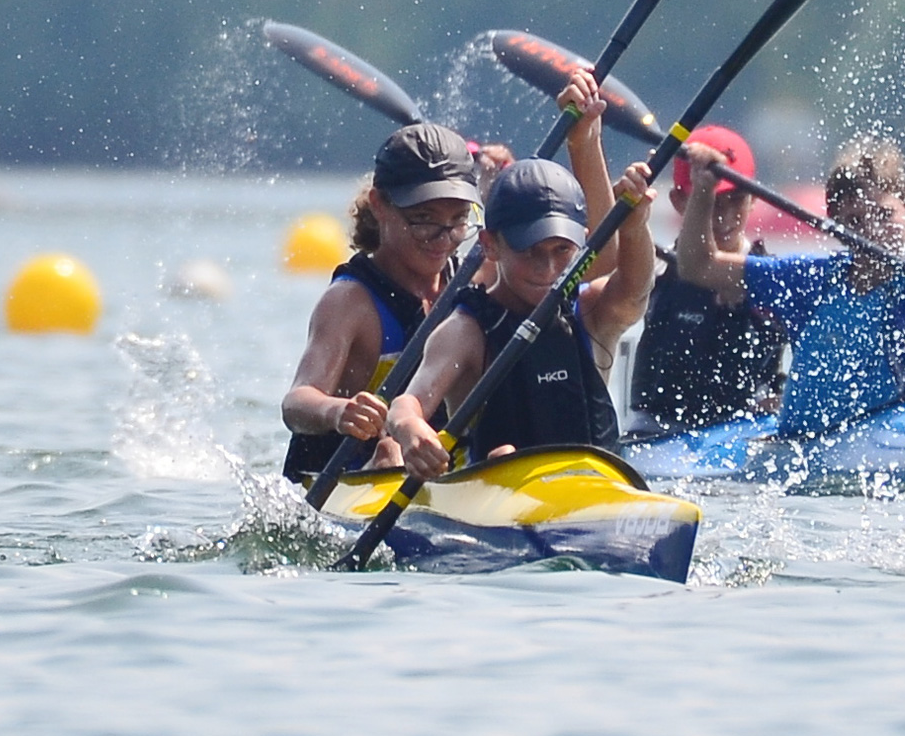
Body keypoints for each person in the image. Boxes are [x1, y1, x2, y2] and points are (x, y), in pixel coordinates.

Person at [675, 136, 905, 435]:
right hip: (800, 445)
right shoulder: (806, 279)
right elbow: (698, 266)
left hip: (897, 442)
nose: (871, 231)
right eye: (854, 221)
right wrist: (704, 189)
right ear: (836, 228)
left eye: (884, 214)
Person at [387, 155, 656, 480]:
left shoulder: (591, 312)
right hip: (498, 494)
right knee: (504, 456)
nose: (547, 269)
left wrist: (636, 227)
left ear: (583, 241)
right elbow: (406, 404)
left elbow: (635, 290)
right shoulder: (465, 331)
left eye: (561, 250)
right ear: (490, 246)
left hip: (598, 491)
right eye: (530, 251)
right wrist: (410, 428)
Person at [279, 122, 482, 482]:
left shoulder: (468, 279)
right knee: (389, 452)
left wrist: (583, 139)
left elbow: (595, 271)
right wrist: (338, 412)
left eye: (459, 221)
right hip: (347, 477)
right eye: (424, 220)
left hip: (431, 469)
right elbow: (296, 403)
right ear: (379, 206)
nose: (444, 239)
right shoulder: (350, 301)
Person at [628, 125, 789, 435]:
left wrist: (785, 399)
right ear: (678, 201)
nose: (725, 217)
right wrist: (632, 214)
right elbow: (617, 252)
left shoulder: (772, 275)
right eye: (712, 201)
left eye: (736, 200)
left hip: (749, 433)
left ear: (754, 198)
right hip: (658, 433)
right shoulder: (655, 264)